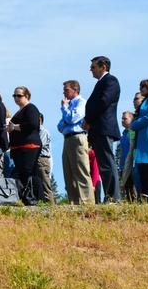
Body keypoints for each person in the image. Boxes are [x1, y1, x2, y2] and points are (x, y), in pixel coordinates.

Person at [84, 56, 121, 203]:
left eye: (93, 67)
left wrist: (88, 120)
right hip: (98, 129)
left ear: (103, 67)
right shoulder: (101, 83)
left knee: (107, 163)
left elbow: (103, 102)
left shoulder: (110, 81)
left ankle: (113, 197)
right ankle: (110, 196)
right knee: (103, 164)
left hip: (103, 127)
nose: (91, 70)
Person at [5, 87, 43, 205]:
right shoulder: (19, 111)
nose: (16, 98)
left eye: (19, 96)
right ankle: (28, 197)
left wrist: (14, 127)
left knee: (29, 172)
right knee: (23, 173)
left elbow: (32, 124)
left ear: (26, 96)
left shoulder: (30, 108)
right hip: (18, 147)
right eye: (14, 96)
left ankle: (38, 198)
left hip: (29, 146)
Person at [57, 79, 93, 205]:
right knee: (68, 172)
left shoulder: (81, 103)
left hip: (77, 137)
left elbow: (71, 118)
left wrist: (64, 108)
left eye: (66, 90)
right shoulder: (70, 106)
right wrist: (67, 116)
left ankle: (87, 202)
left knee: (80, 171)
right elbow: (60, 126)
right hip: (67, 139)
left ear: (75, 90)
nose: (64, 92)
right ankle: (74, 202)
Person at [36, 113, 55, 204]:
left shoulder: (43, 132)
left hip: (42, 159)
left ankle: (51, 207)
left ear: (40, 120)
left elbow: (39, 145)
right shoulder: (36, 131)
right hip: (36, 160)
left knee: (45, 186)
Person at [119, 111, 137, 202]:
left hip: (133, 164)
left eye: (125, 118)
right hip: (124, 166)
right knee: (128, 188)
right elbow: (122, 151)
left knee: (135, 187)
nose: (122, 120)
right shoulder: (123, 135)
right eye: (122, 118)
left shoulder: (134, 132)